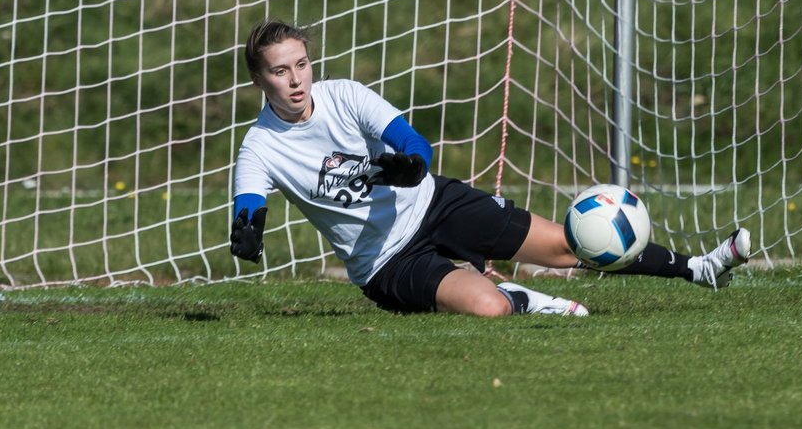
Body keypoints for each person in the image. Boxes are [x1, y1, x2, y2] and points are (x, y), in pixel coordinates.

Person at [229, 20, 751, 317]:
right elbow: (250, 203)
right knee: (489, 310)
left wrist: (409, 165)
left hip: (436, 204)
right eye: (280, 70)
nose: (296, 80)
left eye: (301, 63)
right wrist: (248, 231)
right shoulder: (259, 147)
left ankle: (698, 268)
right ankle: (521, 296)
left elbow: (411, 142)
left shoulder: (343, 94)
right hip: (385, 264)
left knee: (570, 244)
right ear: (260, 80)